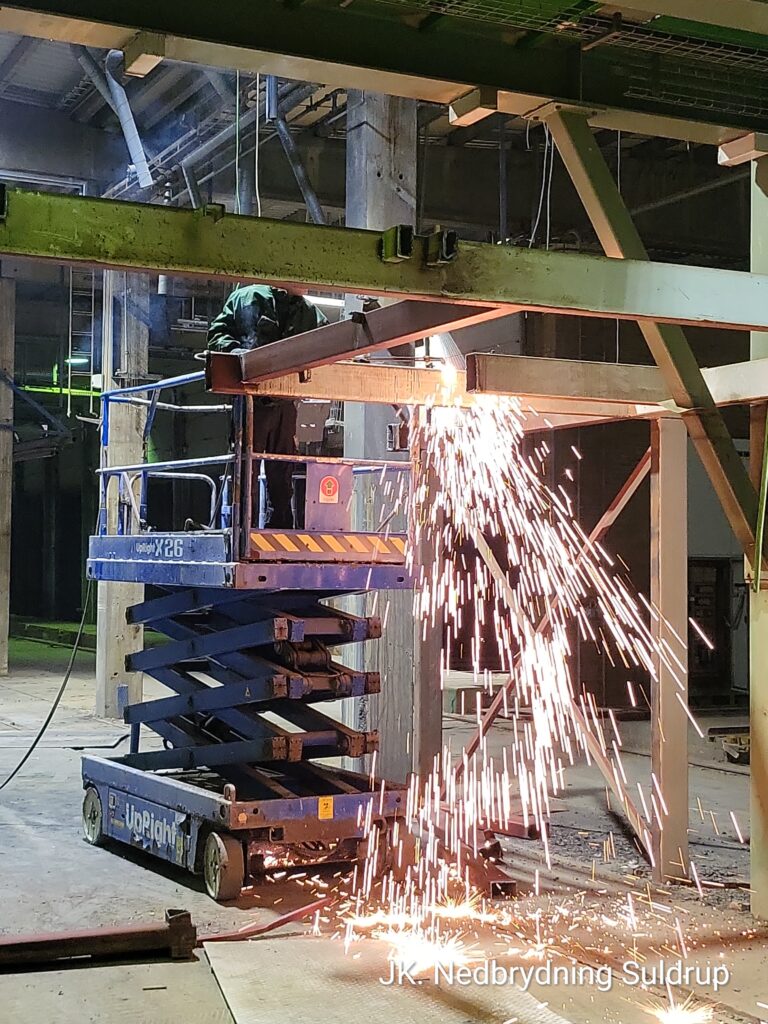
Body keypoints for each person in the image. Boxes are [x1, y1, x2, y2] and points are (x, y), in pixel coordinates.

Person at [207, 284, 327, 528]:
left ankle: (281, 525)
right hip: (252, 399)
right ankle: (243, 529)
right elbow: (217, 335)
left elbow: (331, 341)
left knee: (282, 469)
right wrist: (241, 357)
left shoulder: (309, 311)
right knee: (246, 468)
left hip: (285, 400)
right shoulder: (246, 298)